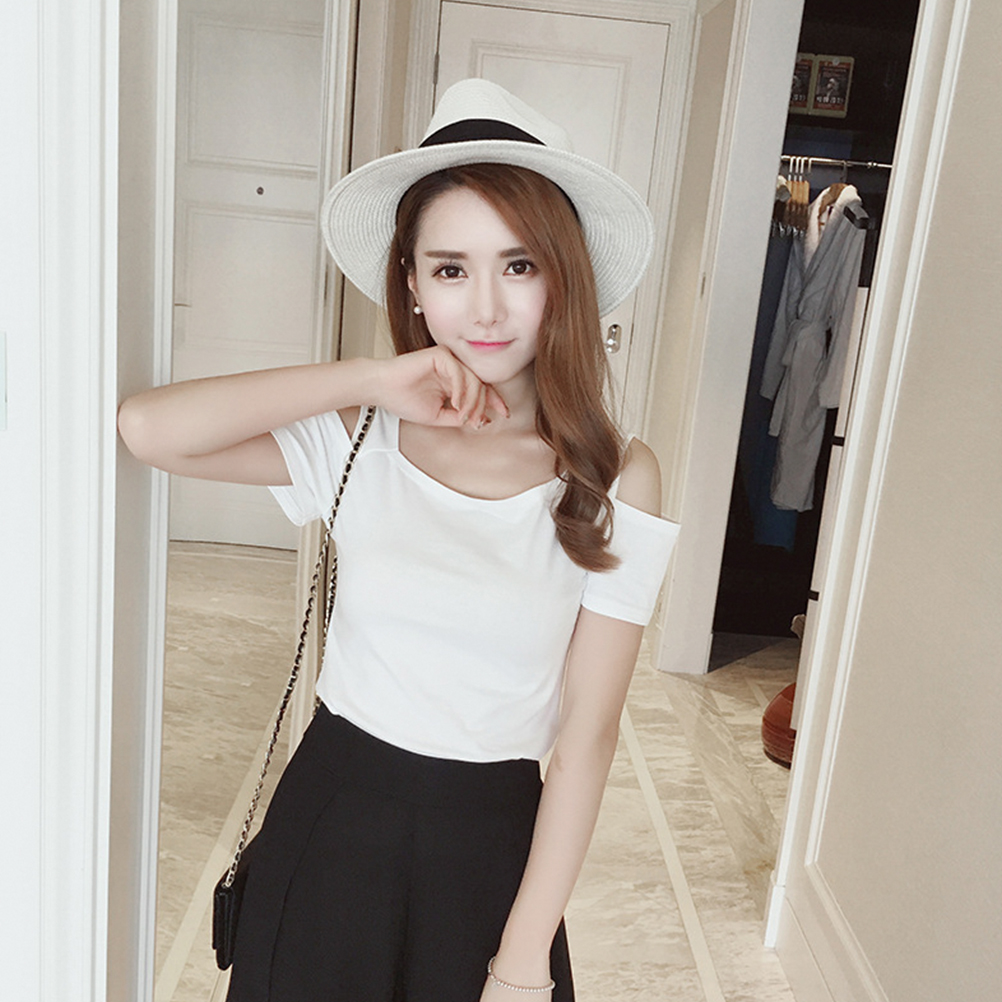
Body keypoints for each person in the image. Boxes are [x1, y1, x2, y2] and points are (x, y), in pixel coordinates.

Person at [119, 78, 680, 1002]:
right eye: (451, 269)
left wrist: (523, 961)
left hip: (491, 849)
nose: (486, 309)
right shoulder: (358, 438)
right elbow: (149, 430)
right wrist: (371, 380)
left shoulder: (616, 478)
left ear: (562, 280)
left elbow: (589, 738)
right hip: (330, 823)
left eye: (519, 265)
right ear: (413, 286)